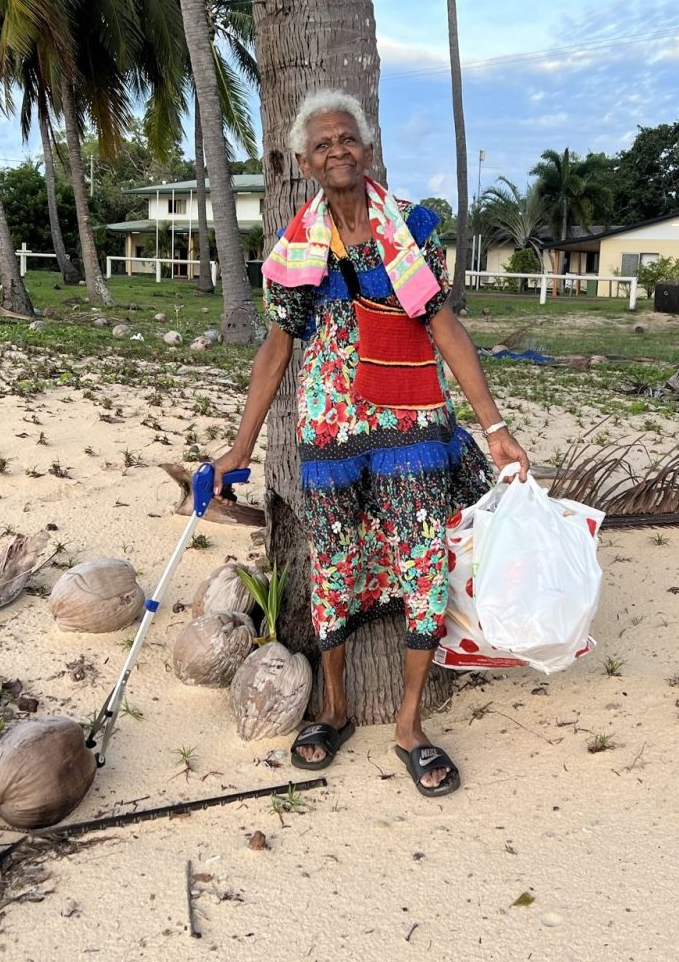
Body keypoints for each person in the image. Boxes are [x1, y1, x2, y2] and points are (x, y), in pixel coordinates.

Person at [213, 89, 529, 797]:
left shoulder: (411, 227)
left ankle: (410, 725)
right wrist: (240, 446)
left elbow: (444, 327)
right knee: (335, 570)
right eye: (321, 144)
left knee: (422, 568)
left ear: (366, 148)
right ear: (304, 163)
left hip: (412, 433)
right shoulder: (298, 250)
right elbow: (274, 352)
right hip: (331, 437)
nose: (337, 151)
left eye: (346, 138)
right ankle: (336, 708)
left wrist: (495, 426)